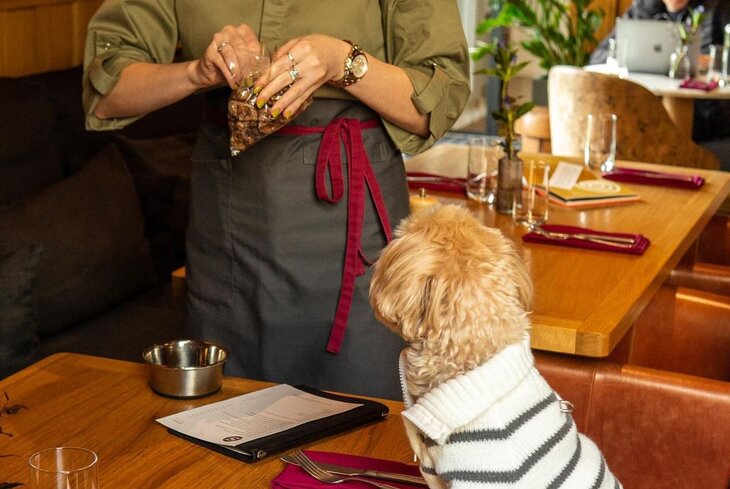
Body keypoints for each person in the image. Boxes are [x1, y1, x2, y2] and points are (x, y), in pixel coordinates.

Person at [82, 1, 470, 400]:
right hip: (231, 218)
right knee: (226, 416)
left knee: (360, 417)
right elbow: (107, 93)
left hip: (353, 215)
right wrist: (197, 72)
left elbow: (437, 102)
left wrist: (343, 62)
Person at [589, 0, 730, 168]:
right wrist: (630, 54)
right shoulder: (642, 8)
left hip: (707, 113)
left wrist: (712, 62)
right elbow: (599, 56)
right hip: (647, 108)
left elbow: (725, 59)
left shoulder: (718, 7)